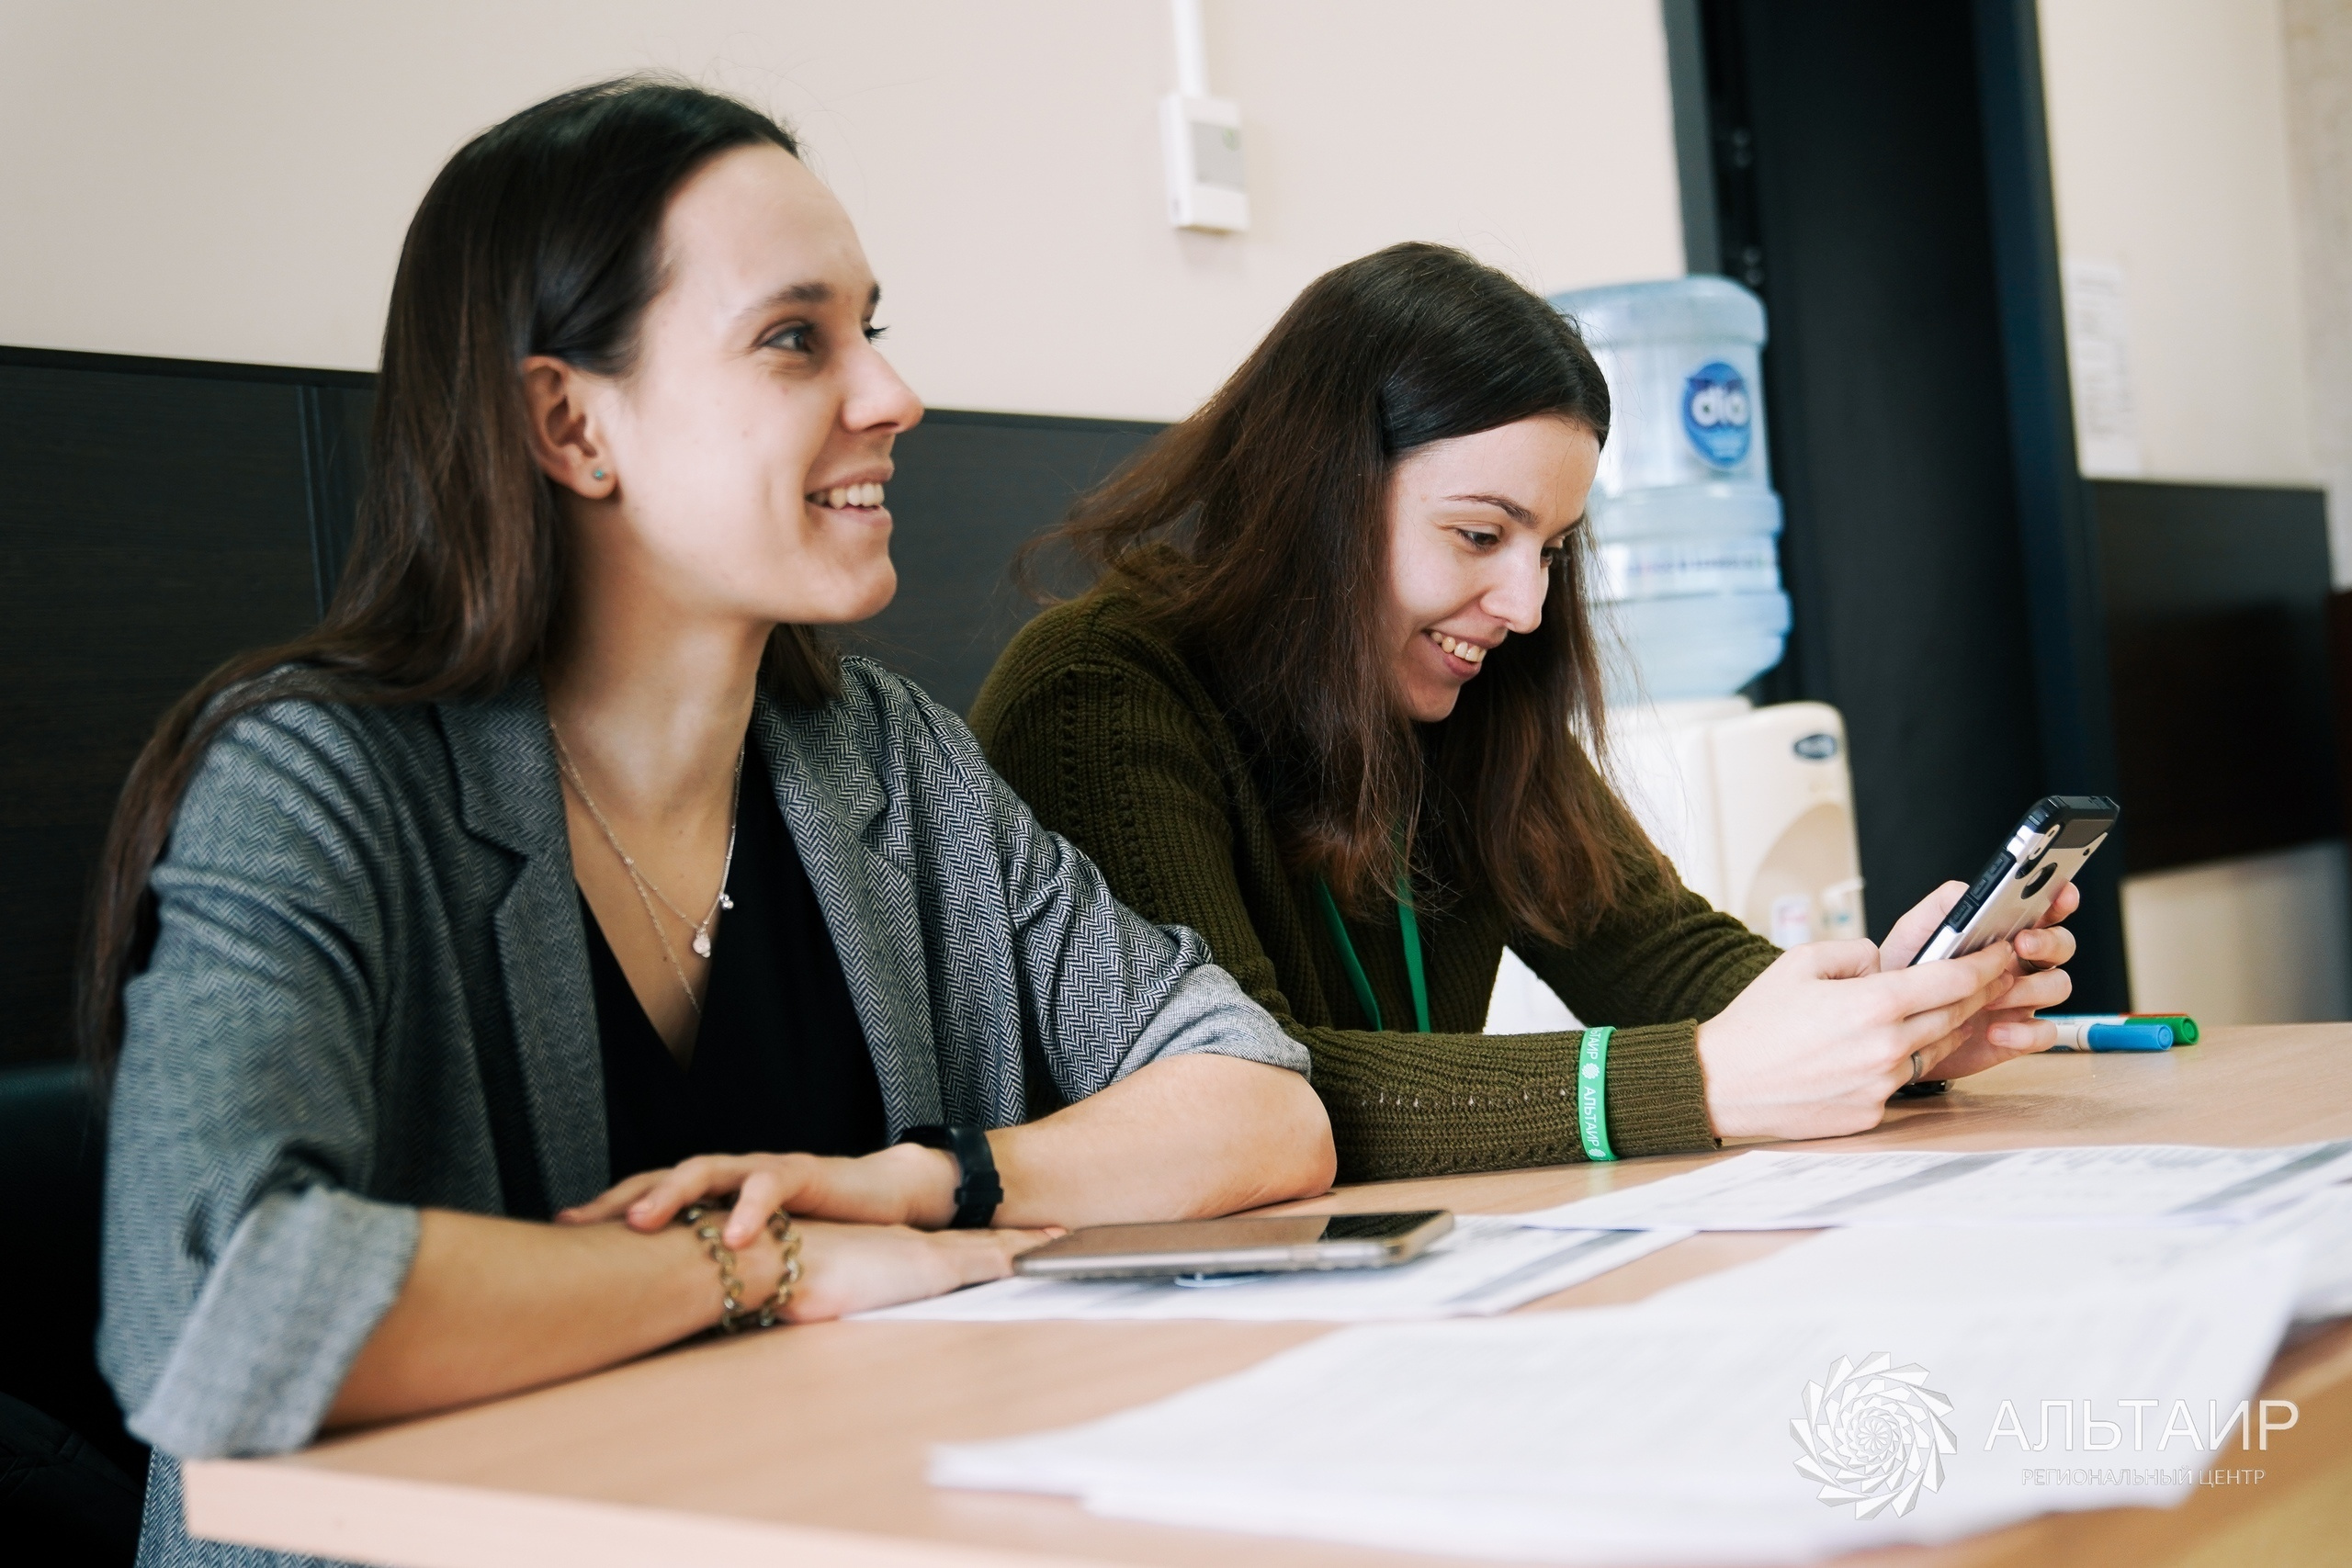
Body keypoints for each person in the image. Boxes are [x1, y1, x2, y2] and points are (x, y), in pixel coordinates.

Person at [86, 79, 1333, 1565]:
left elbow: (1260, 1098)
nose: (890, 393)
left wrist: (927, 1184)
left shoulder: (882, 755)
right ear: (571, 422)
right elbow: (225, 1311)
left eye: (872, 324)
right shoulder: (315, 778)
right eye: (796, 337)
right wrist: (770, 1265)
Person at [970, 243, 2076, 1183]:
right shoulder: (1098, 696)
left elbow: (1666, 960)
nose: (1528, 606)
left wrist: (1891, 1019)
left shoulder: (1469, 704)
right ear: (1319, 494)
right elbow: (1236, 1089)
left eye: (1547, 548)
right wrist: (1691, 1082)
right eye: (1478, 535)